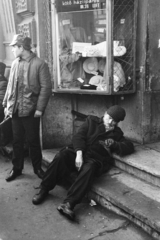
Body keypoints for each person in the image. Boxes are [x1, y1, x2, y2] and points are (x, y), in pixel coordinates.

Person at [32, 105, 134, 221]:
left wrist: (115, 144)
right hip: (78, 152)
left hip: (93, 159)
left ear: (118, 122)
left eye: (114, 120)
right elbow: (78, 136)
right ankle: (44, 189)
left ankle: (68, 204)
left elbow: (129, 147)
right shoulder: (91, 121)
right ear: (105, 113)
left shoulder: (117, 134)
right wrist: (79, 154)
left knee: (90, 168)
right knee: (61, 155)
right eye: (109, 117)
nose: (110, 122)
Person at [3, 34, 52, 182]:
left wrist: (39, 109)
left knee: (33, 141)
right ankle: (17, 168)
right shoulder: (15, 63)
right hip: (15, 110)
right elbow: (10, 85)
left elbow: (46, 88)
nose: (12, 50)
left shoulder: (40, 64)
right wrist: (6, 104)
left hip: (31, 111)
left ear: (21, 47)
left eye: (14, 47)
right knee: (17, 141)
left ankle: (37, 168)